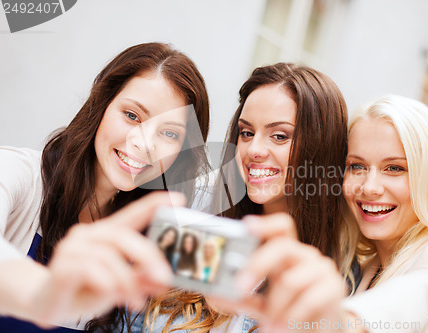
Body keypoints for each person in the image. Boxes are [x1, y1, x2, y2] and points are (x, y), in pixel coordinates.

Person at [236, 95, 428, 332]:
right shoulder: (358, 273)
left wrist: (346, 323)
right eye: (357, 166)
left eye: (394, 168)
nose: (370, 188)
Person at [0, 42, 211, 332]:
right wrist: (44, 292)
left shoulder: (159, 233)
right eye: (132, 116)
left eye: (169, 133)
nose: (144, 143)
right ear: (101, 105)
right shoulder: (19, 174)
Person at [141, 63, 355, 332]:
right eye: (247, 133)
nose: (254, 149)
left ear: (320, 147)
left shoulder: (338, 280)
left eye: (279, 136)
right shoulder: (200, 217)